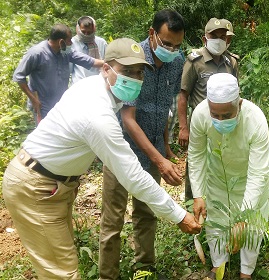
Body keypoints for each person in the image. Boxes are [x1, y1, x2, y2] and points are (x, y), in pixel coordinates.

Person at [2, 38, 200, 280]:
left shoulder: (92, 89)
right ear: (106, 68)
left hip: (51, 185)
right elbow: (133, 177)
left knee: (60, 263)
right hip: (36, 187)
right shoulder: (97, 115)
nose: (135, 78)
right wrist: (179, 215)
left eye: (139, 72)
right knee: (63, 273)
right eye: (127, 71)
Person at [99, 10, 185, 280]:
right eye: (167, 42)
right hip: (121, 151)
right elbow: (128, 118)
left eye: (177, 45)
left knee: (147, 211)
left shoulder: (177, 62)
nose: (172, 50)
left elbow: (165, 109)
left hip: (155, 149)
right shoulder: (134, 62)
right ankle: (107, 275)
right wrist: (161, 160)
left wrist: (165, 149)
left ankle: (144, 269)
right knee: (113, 219)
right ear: (152, 34)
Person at [189, 73, 269, 280]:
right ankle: (219, 264)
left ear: (239, 104)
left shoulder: (256, 119)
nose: (220, 120)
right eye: (215, 115)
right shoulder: (200, 114)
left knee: (252, 225)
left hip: (249, 179)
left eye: (227, 115)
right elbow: (196, 155)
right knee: (216, 218)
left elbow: (258, 173)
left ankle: (246, 272)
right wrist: (198, 194)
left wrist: (243, 219)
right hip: (218, 177)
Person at [177, 17, 238, 200]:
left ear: (228, 40)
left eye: (223, 36)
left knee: (222, 160)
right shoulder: (196, 61)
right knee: (197, 162)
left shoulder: (231, 62)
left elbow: (236, 94)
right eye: (215, 36)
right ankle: (192, 201)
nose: (219, 40)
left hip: (225, 122)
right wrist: (183, 128)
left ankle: (218, 200)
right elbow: (183, 95)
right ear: (205, 38)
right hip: (200, 123)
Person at [13, 23, 104, 123]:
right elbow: (19, 76)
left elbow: (88, 60)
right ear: (61, 42)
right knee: (45, 135)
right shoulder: (37, 53)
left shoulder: (65, 52)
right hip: (42, 105)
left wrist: (109, 64)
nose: (71, 43)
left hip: (60, 104)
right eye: (69, 40)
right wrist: (33, 99)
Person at [70, 16, 108, 84]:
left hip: (98, 83)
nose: (86, 35)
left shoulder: (101, 43)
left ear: (93, 29)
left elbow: (107, 64)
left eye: (89, 32)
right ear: (78, 29)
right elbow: (69, 68)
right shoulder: (72, 43)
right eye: (83, 32)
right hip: (79, 84)